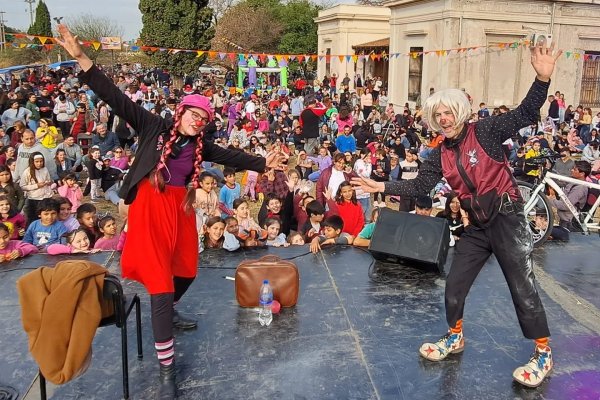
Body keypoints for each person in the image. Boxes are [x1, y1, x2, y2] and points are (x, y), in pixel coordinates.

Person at [56, 26, 284, 400]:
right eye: (194, 114)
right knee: (159, 284)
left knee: (188, 270)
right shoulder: (153, 127)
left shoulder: (200, 146)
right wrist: (82, 58)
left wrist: (263, 161)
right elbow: (114, 97)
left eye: (204, 118)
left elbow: (232, 155)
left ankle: (170, 309)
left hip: (179, 210)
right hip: (149, 209)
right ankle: (167, 370)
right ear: (181, 112)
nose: (199, 120)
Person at [352, 42, 561, 388]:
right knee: (454, 286)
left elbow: (525, 113)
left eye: (448, 113)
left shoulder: (487, 131)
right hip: (476, 224)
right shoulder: (438, 155)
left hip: (507, 219)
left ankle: (543, 352)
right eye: (438, 116)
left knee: (522, 287)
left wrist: (542, 78)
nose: (444, 120)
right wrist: (380, 187)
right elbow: (420, 187)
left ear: (460, 112)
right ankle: (455, 336)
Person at [547, 160, 591, 231]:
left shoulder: (579, 188)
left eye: (574, 169)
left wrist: (549, 200)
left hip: (569, 224)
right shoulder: (573, 183)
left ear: (582, 173)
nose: (571, 170)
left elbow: (566, 206)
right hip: (564, 220)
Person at [19, 152, 54, 226]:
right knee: (34, 220)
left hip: (46, 197)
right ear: (32, 162)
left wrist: (49, 182)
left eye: (41, 161)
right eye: (37, 162)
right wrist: (36, 186)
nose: (39, 163)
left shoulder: (45, 169)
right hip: (34, 200)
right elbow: (22, 186)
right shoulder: (27, 172)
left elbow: (48, 179)